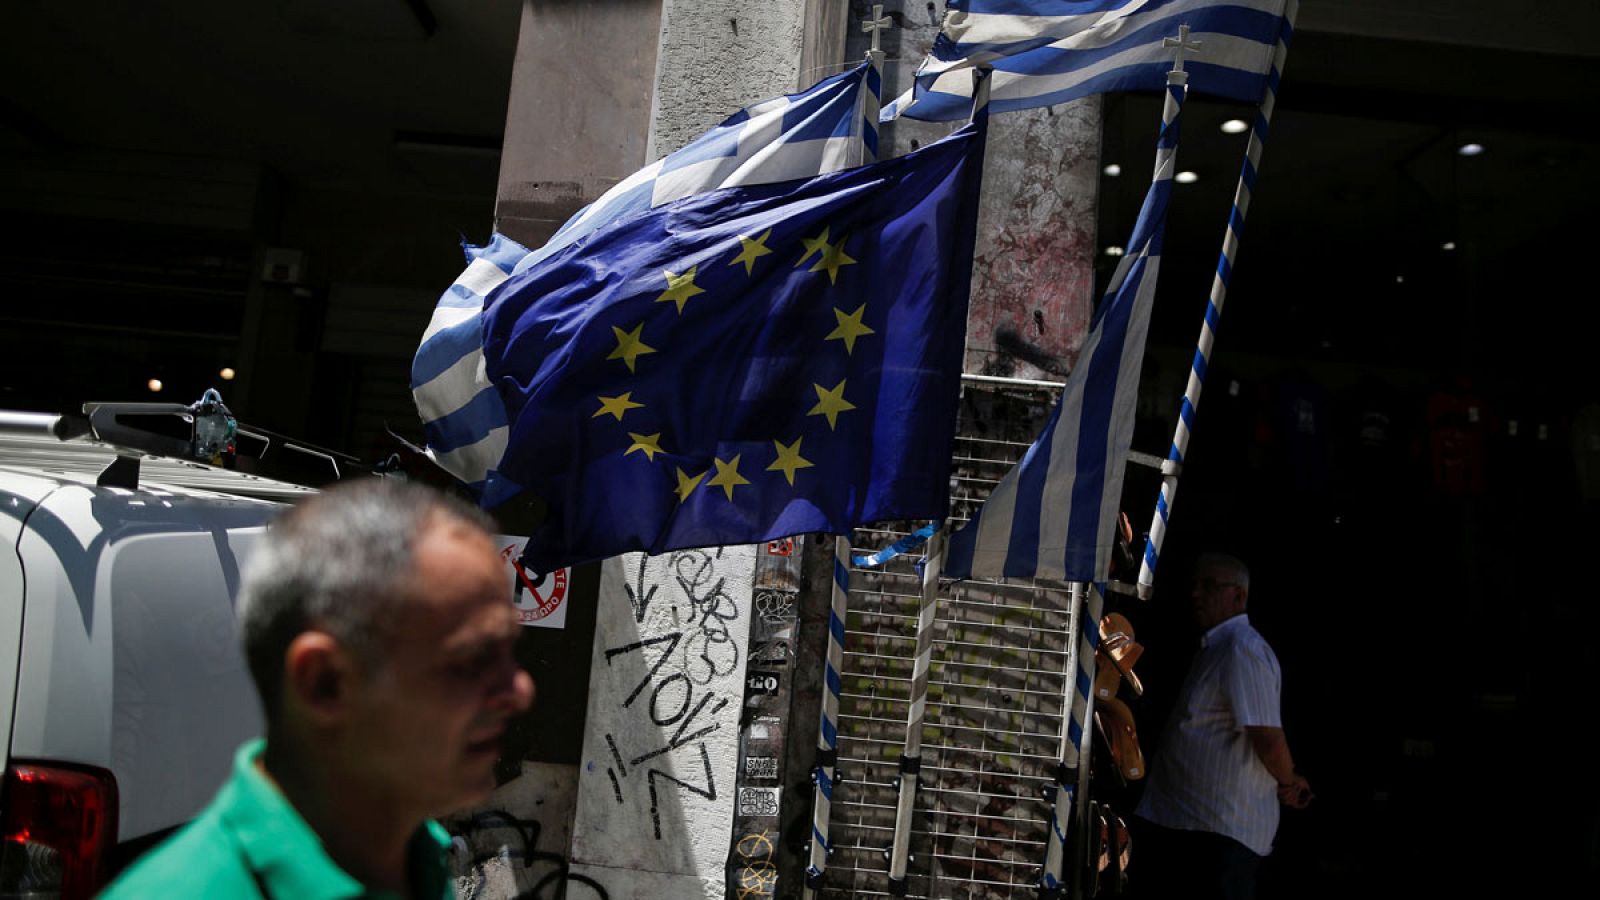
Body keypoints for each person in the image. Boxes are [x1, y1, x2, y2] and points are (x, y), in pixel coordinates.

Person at [103, 478, 536, 898]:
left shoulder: (419, 861)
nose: (519, 691)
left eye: (508, 652)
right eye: (473, 659)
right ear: (325, 684)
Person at [1131, 553, 1311, 900]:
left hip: (1218, 835)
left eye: (1209, 586)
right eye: (1195, 585)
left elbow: (1268, 738)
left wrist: (1289, 782)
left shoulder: (1242, 649)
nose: (1196, 594)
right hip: (1194, 827)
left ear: (1239, 596)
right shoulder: (1219, 648)